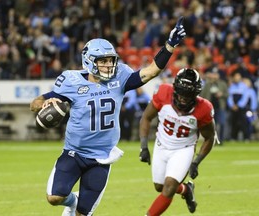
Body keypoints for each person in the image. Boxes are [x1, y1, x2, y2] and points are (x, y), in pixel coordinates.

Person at [30, 17, 186, 216]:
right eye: (102, 61)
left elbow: (151, 71)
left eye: (110, 60)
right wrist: (45, 103)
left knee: (82, 214)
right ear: (89, 61)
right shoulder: (71, 81)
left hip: (102, 157)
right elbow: (35, 103)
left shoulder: (119, 77)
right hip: (74, 152)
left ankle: (78, 206)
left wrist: (170, 45)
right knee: (54, 197)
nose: (108, 65)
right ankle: (73, 200)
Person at [139, 68, 216, 215]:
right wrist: (143, 147)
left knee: (169, 188)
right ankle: (186, 190)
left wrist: (196, 162)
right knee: (159, 186)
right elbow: (146, 118)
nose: (183, 99)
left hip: (183, 149)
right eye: (181, 94)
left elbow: (209, 138)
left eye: (188, 96)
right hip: (162, 144)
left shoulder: (204, 109)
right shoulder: (163, 93)